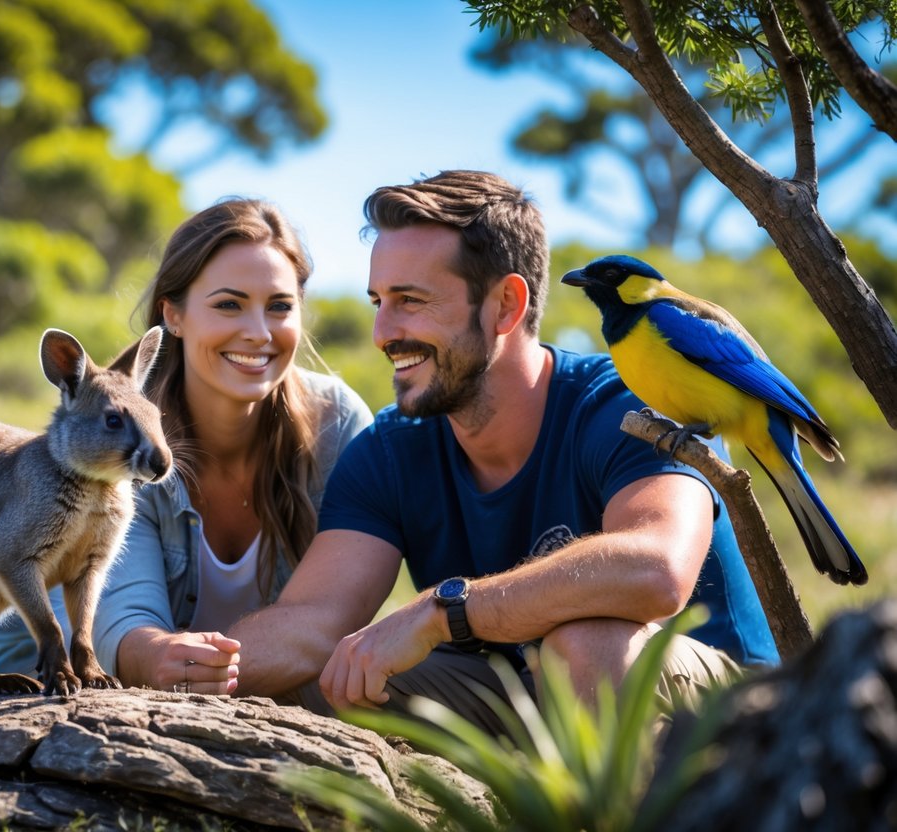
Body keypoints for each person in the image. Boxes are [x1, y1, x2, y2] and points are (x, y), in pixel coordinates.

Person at [224, 170, 778, 733]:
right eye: (378, 302)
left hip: (728, 715)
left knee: (586, 643)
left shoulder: (628, 405)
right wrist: (166, 662)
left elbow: (655, 572)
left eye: (411, 300)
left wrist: (443, 611)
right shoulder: (391, 450)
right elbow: (311, 626)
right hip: (522, 694)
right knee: (336, 676)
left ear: (506, 305)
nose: (383, 332)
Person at [0, 198, 373, 692]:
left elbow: (332, 615)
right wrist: (158, 656)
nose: (258, 332)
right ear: (174, 316)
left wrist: (217, 671)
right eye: (229, 304)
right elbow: (122, 621)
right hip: (38, 696)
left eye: (279, 307)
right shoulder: (120, 443)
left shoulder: (338, 424)